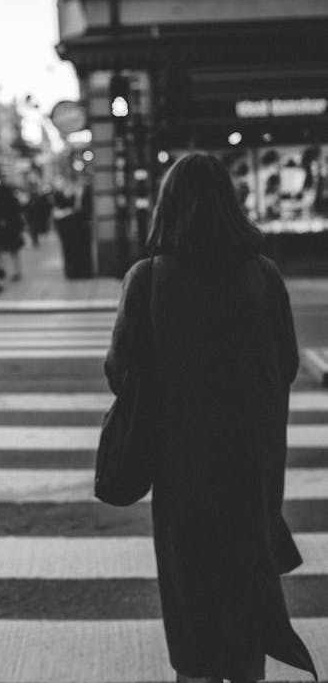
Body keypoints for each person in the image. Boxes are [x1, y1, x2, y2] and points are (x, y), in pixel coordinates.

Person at [104, 153, 317, 683]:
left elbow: (121, 371)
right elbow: (285, 365)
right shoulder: (262, 275)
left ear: (167, 206)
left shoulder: (149, 278)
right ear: (231, 203)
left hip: (184, 470)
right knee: (247, 611)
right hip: (251, 468)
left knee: (192, 608)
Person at [0, 178, 25, 281]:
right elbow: (19, 216)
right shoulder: (13, 201)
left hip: (3, 231)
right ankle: (16, 271)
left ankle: (5, 271)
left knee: (3, 253)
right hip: (13, 231)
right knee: (14, 253)